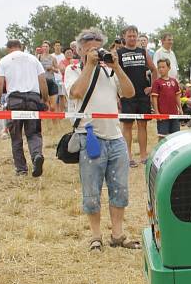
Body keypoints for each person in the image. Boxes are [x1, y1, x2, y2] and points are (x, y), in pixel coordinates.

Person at [64, 27, 136, 252]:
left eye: (98, 48)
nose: (95, 52)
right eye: (89, 49)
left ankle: (117, 234)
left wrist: (116, 67)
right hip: (90, 137)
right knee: (92, 191)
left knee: (120, 189)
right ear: (80, 51)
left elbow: (129, 92)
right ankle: (96, 236)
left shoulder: (109, 71)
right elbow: (76, 92)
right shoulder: (73, 69)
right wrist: (89, 65)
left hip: (115, 138)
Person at [0, 39, 49, 177]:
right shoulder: (33, 59)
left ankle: (21, 169)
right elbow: (42, 80)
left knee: (16, 136)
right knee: (34, 133)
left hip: (15, 100)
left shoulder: (4, 60)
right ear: (21, 47)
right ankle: (36, 155)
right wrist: (45, 99)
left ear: (8, 48)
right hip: (33, 99)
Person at [117, 25, 158, 167]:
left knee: (143, 125)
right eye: (129, 36)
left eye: (135, 36)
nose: (132, 38)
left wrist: (152, 87)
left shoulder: (143, 51)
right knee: (127, 126)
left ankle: (143, 156)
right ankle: (127, 157)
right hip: (127, 95)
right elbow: (114, 74)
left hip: (142, 94)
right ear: (124, 37)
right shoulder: (119, 53)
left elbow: (154, 70)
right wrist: (118, 93)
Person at [151, 58, 182, 138]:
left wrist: (180, 109)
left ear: (169, 68)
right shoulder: (157, 83)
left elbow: (177, 96)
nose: (161, 69)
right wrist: (157, 113)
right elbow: (154, 99)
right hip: (162, 115)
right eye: (159, 67)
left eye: (163, 67)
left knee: (175, 137)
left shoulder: (174, 81)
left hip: (174, 114)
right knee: (162, 138)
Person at [37, 42, 59, 113]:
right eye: (44, 46)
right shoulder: (38, 57)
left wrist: (52, 68)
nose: (45, 48)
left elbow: (57, 70)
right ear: (42, 48)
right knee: (42, 106)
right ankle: (43, 123)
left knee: (53, 107)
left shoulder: (53, 58)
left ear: (49, 48)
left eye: (46, 46)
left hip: (51, 82)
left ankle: (55, 124)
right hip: (41, 83)